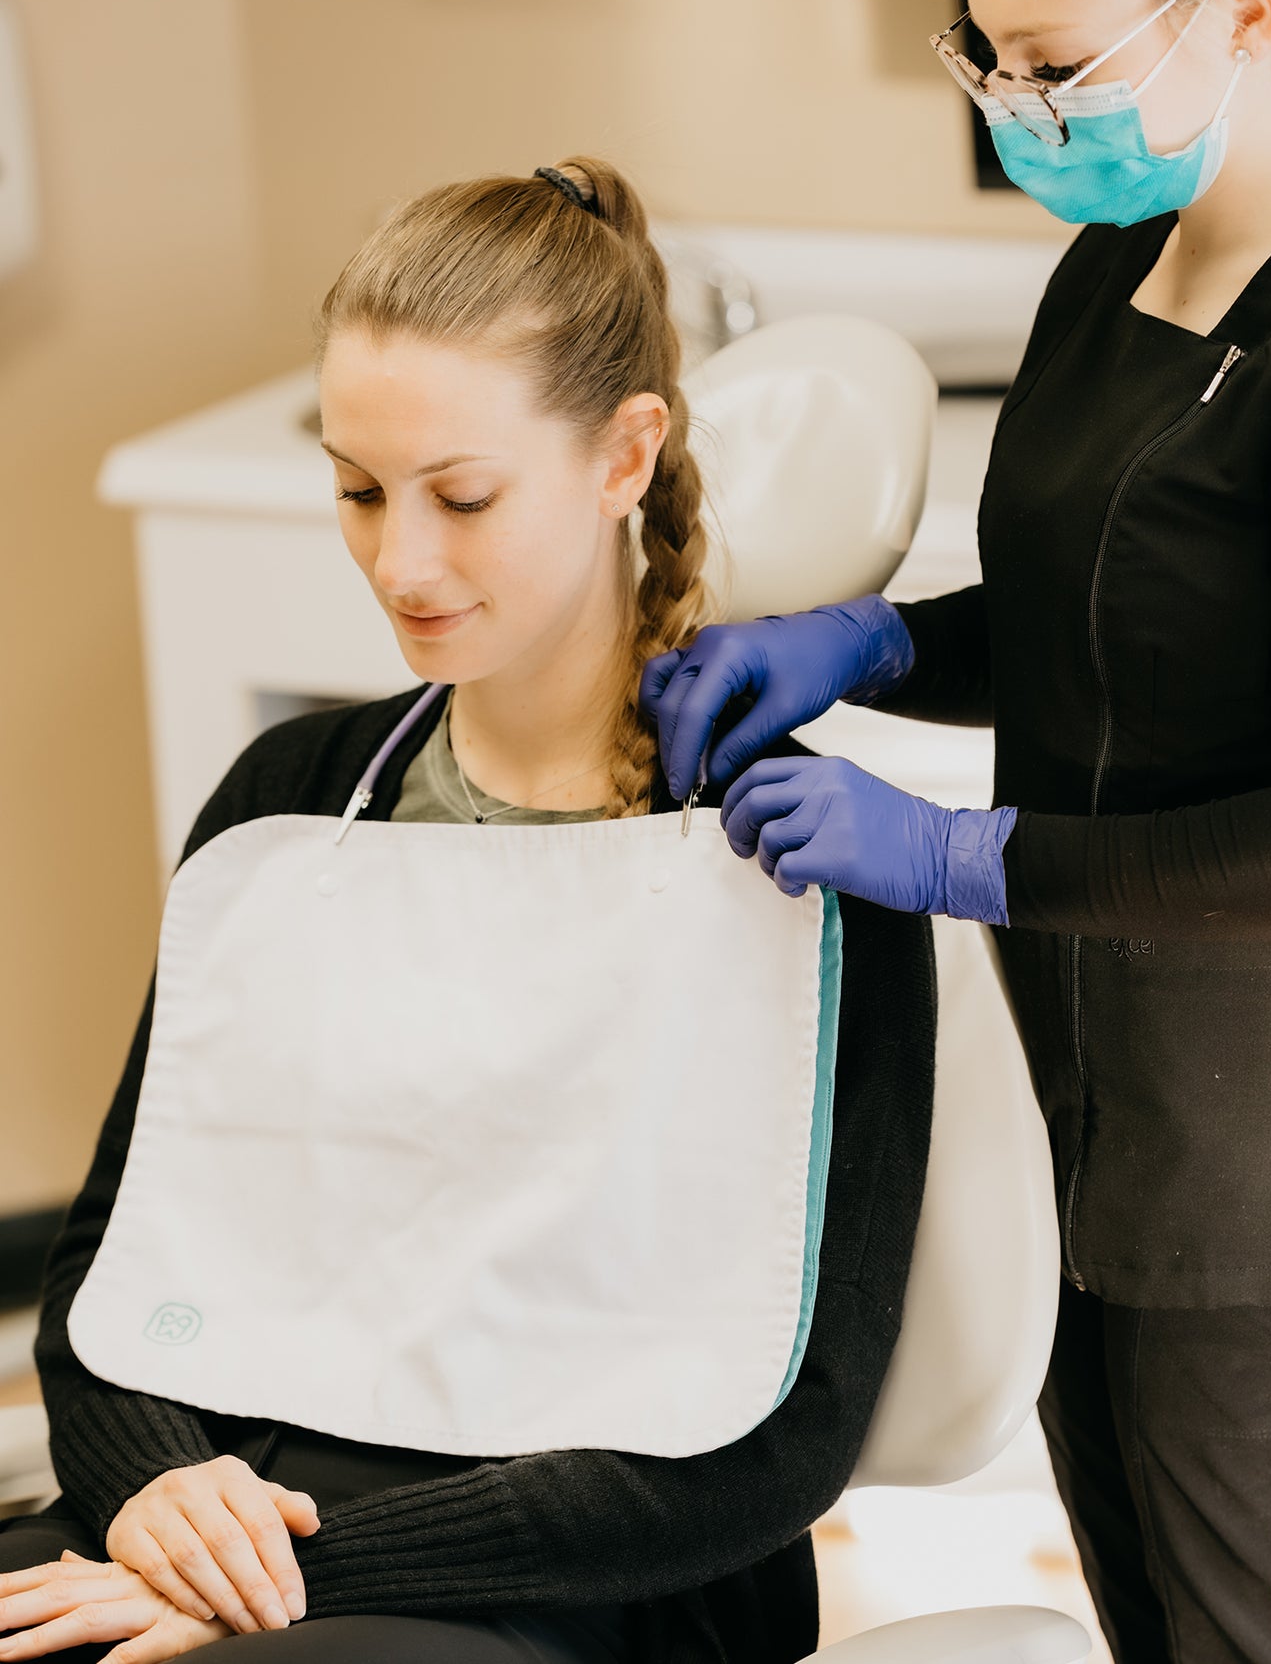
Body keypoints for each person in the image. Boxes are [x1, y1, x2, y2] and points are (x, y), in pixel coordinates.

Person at [643, 0, 1271, 1658]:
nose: (1020, 113)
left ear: (1244, 8)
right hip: (1093, 1116)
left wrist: (955, 851)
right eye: (988, 60)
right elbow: (1101, 605)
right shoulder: (1122, 257)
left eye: (1055, 65)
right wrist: (873, 640)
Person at [0, 159, 936, 1664]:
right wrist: (155, 1486)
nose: (398, 561)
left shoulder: (795, 850)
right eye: (358, 491)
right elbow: (123, 1253)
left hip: (587, 1570)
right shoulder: (291, 795)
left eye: (463, 496)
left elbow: (781, 1438)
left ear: (627, 454)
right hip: (247, 1511)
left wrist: (294, 1571)